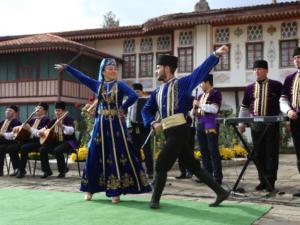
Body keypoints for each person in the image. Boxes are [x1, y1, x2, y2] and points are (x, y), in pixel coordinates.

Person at [142, 45, 230, 209]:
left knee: (161, 164)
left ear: (167, 69)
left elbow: (200, 71)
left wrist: (215, 55)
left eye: (158, 68)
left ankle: (155, 200)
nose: (156, 72)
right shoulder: (156, 92)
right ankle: (220, 192)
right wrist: (152, 122)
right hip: (169, 132)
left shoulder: (183, 83)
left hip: (180, 130)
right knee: (193, 166)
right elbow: (146, 109)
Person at [54, 58, 151, 204]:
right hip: (101, 124)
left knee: (117, 154)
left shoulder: (120, 85)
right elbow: (83, 78)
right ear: (103, 71)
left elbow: (133, 95)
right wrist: (68, 68)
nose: (113, 70)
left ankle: (115, 191)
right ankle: (89, 189)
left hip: (116, 125)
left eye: (114, 68)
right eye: (110, 68)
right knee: (94, 154)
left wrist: (123, 108)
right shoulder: (98, 85)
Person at [239, 60, 282, 192]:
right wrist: (241, 123)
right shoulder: (249, 88)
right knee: (258, 154)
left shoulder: (276, 85)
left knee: (271, 154)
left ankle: (270, 181)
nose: (257, 71)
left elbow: (283, 104)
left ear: (266, 71)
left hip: (272, 125)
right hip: (256, 126)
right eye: (255, 69)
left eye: (260, 69)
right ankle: (262, 180)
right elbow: (244, 107)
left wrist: (286, 122)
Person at [193, 74, 223, 185]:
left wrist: (199, 105)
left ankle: (217, 177)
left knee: (213, 151)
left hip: (211, 124)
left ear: (207, 82)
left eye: (201, 83)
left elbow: (214, 109)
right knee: (204, 151)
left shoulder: (215, 93)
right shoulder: (200, 95)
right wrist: (194, 109)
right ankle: (207, 175)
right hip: (200, 124)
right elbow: (197, 112)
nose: (200, 86)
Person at [280, 47, 300, 196]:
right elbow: (283, 100)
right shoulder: (289, 79)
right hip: (296, 120)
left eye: (299, 57)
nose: (297, 60)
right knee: (299, 154)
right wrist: (288, 111)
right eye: (295, 58)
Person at [38, 102, 76, 179]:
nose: (57, 112)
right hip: (56, 143)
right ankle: (47, 171)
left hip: (68, 142)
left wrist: (62, 126)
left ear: (64, 112)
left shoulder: (69, 119)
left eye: (59, 110)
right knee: (42, 149)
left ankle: (62, 170)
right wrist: (40, 132)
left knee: (57, 150)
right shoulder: (53, 120)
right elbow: (45, 128)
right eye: (56, 111)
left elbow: (71, 130)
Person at [13, 102, 50, 178]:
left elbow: (40, 133)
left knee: (24, 148)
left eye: (40, 108)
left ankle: (21, 170)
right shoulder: (32, 120)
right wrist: (17, 127)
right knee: (14, 146)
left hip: (39, 142)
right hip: (29, 141)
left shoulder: (47, 120)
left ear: (45, 111)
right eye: (36, 108)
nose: (37, 109)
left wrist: (29, 128)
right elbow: (24, 126)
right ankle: (17, 168)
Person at [127, 83, 153, 179]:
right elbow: (128, 116)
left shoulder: (147, 101)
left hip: (144, 129)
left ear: (142, 92)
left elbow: (151, 113)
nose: (136, 94)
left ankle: (150, 171)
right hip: (133, 129)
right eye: (134, 92)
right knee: (135, 150)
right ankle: (138, 171)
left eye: (137, 92)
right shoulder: (130, 102)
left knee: (147, 150)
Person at [0, 105, 22, 176]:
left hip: (13, 142)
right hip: (3, 143)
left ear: (15, 113)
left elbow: (14, 135)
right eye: (6, 110)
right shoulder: (2, 122)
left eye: (10, 110)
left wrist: (3, 134)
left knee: (11, 148)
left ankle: (17, 169)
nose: (7, 112)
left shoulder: (17, 122)